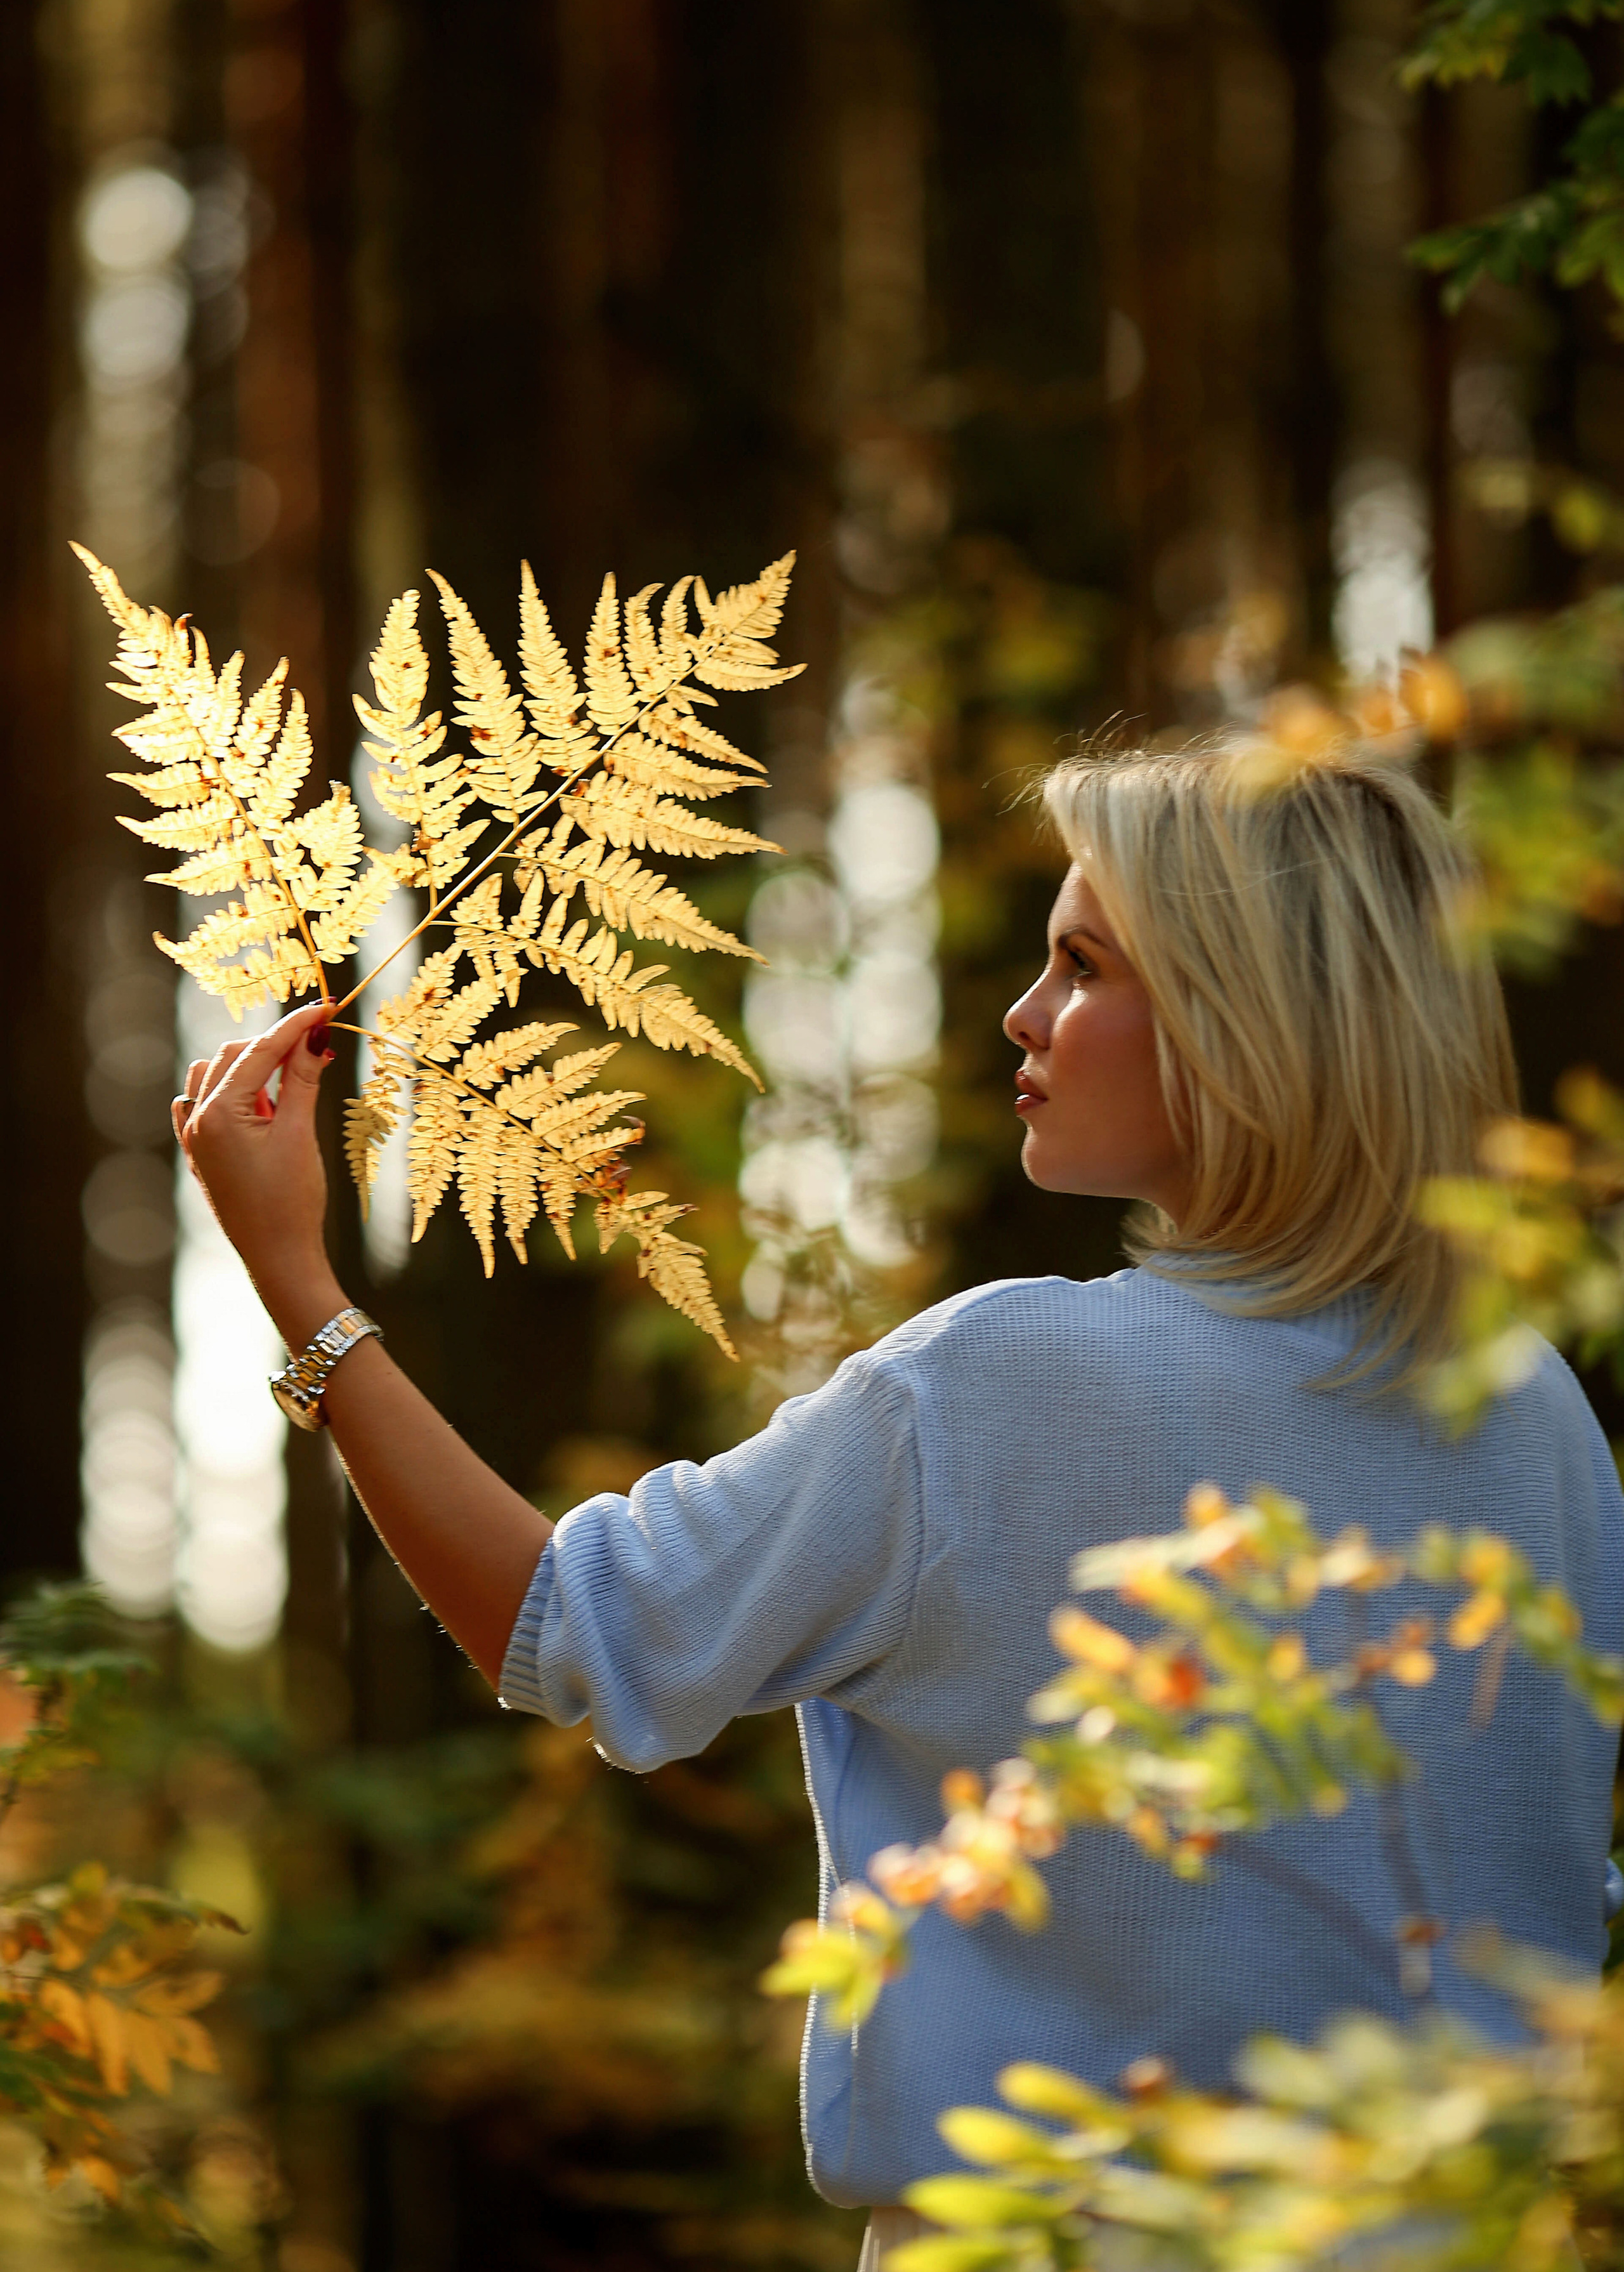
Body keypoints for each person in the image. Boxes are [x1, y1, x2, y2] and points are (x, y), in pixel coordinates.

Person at [174, 737, 1624, 2271]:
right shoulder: (1524, 1402)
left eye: (1082, 965)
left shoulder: (997, 1380)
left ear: (1241, 1018)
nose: (1022, 1012)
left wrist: (299, 1290)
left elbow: (573, 1628)